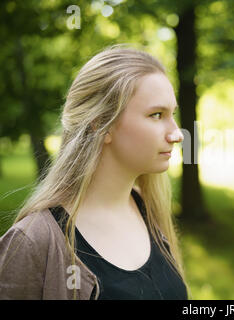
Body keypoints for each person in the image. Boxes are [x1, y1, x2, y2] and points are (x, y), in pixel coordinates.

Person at [0, 44, 190, 300]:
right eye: (156, 115)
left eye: (172, 115)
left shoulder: (149, 209)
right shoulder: (33, 241)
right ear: (101, 124)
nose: (177, 134)